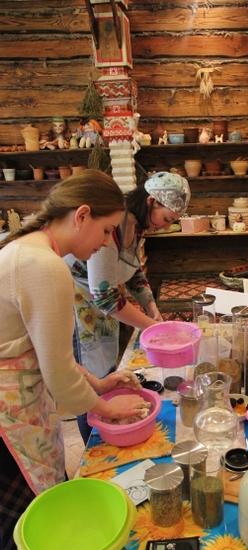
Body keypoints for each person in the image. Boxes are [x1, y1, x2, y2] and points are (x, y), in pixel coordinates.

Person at [0, 170, 152, 550]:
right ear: (81, 215)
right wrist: (107, 408)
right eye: (106, 230)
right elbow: (61, 378)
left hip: (19, 404)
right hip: (7, 421)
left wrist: (100, 384)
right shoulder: (43, 266)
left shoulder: (28, 250)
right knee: (28, 535)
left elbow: (53, 357)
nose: (107, 243)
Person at [66, 171, 191, 442]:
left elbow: (133, 273)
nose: (165, 226)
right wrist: (153, 328)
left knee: (106, 374)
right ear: (150, 201)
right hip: (79, 307)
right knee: (89, 383)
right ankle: (94, 441)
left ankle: (109, 430)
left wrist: (152, 308)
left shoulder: (136, 225)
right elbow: (105, 297)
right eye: (167, 219)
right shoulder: (113, 225)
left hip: (103, 309)